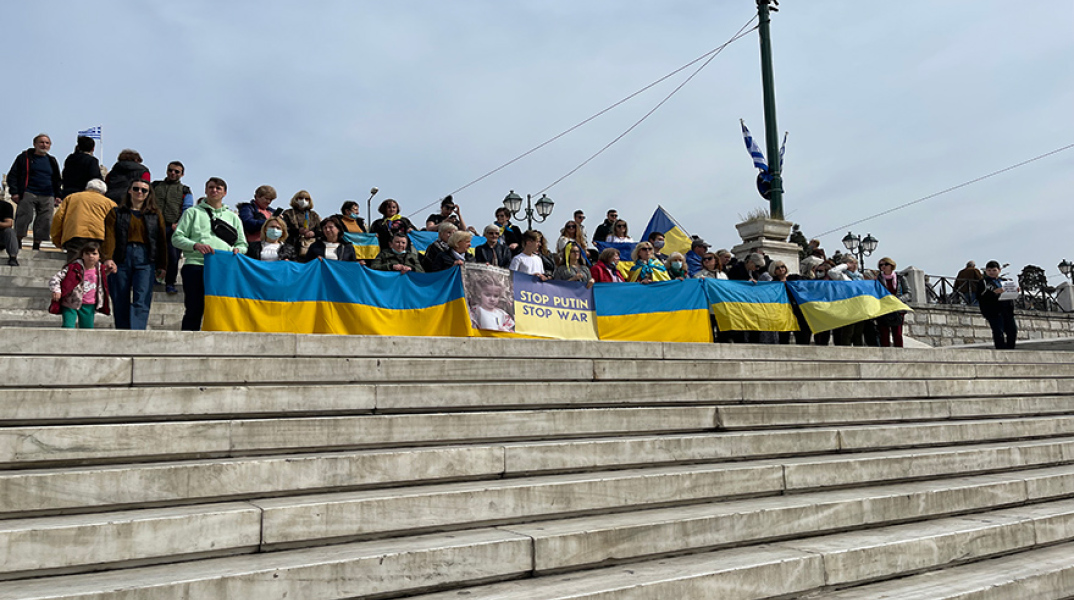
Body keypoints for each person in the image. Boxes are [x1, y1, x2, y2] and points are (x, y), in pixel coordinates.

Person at [172, 177, 247, 331]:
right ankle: (188, 341)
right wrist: (195, 245)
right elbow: (177, 238)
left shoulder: (233, 217)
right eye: (211, 187)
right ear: (205, 190)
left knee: (222, 310)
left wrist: (238, 250)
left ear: (225, 193)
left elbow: (242, 244)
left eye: (218, 188)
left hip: (223, 268)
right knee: (194, 308)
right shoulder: (192, 212)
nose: (214, 190)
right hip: (196, 266)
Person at [101, 181, 168, 330]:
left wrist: (162, 264)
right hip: (122, 255)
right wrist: (108, 258)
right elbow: (109, 236)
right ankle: (123, 331)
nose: (139, 192)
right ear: (129, 191)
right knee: (120, 297)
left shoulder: (155, 214)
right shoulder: (116, 212)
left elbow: (161, 240)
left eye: (144, 190)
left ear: (148, 194)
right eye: (136, 189)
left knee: (142, 297)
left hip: (145, 257)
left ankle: (137, 330)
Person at [7, 133, 61, 251]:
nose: (44, 145)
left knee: (45, 220)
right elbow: (13, 175)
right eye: (41, 142)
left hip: (48, 193)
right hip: (28, 191)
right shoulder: (24, 158)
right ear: (35, 144)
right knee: (24, 216)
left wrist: (58, 195)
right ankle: (18, 241)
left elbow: (57, 179)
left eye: (47, 143)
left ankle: (37, 244)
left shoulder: (52, 160)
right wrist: (14, 192)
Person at [152, 161, 194, 294]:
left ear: (182, 174)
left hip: (173, 227)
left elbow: (187, 209)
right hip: (154, 225)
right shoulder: (156, 185)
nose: (173, 173)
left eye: (177, 171)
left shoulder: (185, 190)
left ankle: (170, 283)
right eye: (170, 170)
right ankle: (153, 280)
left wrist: (180, 224)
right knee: (153, 254)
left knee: (173, 256)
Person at [48, 241, 110, 329]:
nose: (91, 256)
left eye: (94, 253)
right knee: (68, 327)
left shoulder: (100, 270)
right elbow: (55, 278)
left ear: (99, 256)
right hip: (70, 303)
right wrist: (56, 290)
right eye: (87, 253)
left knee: (87, 329)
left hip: (89, 304)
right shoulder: (73, 268)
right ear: (82, 255)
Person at [50, 179, 114, 262]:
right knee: (94, 267)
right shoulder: (110, 203)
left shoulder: (71, 198)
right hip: (99, 238)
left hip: (75, 236)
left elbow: (58, 218)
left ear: (86, 188)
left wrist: (56, 239)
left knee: (74, 266)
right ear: (104, 192)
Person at [977, 259, 1018, 350]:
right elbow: (979, 296)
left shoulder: (1005, 281)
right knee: (998, 330)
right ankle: (1000, 348)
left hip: (1007, 309)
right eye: (989, 270)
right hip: (993, 310)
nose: (991, 272)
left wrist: (1015, 291)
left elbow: (1011, 294)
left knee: (1012, 330)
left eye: (994, 270)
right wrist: (994, 293)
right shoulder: (983, 282)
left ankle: (1010, 348)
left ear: (999, 270)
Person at [876, 257, 910, 348]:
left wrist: (897, 300)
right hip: (883, 309)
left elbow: (908, 294)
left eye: (886, 264)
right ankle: (885, 354)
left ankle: (899, 352)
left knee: (897, 334)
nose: (883, 266)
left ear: (891, 265)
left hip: (897, 309)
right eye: (881, 265)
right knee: (884, 334)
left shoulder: (900, 278)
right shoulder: (878, 279)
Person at [280, 190, 320, 259]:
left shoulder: (314, 215)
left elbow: (320, 231)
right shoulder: (288, 213)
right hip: (292, 246)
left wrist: (313, 233)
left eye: (306, 199)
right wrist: (297, 231)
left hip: (310, 247)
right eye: (301, 198)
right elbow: (282, 229)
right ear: (296, 199)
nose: (303, 201)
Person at [0, 194, 17, 266]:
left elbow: (9, 223)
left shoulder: (5, 206)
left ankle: (13, 258)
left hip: (1, 237)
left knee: (10, 231)